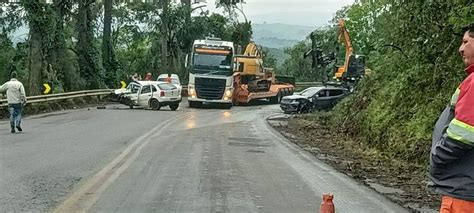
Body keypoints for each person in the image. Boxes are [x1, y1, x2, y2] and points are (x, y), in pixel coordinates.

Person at [429, 25, 474, 212]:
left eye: (466, 42)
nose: (460, 48)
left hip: (463, 191)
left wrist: (437, 157)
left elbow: (463, 133)